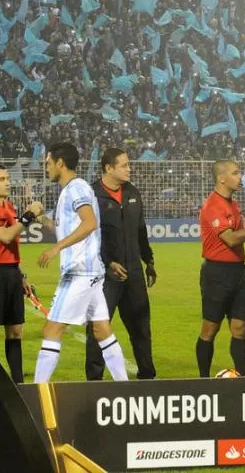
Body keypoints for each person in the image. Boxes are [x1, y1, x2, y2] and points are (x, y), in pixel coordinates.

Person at [32, 143, 129, 383]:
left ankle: (36, 392)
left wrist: (57, 248)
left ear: (60, 163)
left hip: (79, 273)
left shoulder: (76, 189)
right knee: (101, 330)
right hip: (90, 273)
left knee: (52, 330)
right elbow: (72, 228)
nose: (46, 167)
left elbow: (88, 223)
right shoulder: (72, 189)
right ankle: (125, 388)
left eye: (48, 162)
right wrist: (41, 218)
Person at [85, 147, 158, 380]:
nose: (129, 168)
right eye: (124, 165)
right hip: (104, 276)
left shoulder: (132, 192)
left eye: (128, 164)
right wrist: (107, 264)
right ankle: (93, 382)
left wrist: (149, 260)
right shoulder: (91, 195)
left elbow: (140, 230)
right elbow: (87, 238)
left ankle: (147, 376)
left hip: (134, 272)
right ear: (108, 168)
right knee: (98, 328)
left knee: (141, 327)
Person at [0, 163, 44, 383]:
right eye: (1, 179)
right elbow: (4, 236)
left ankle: (18, 382)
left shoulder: (9, 207)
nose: (7, 182)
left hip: (11, 273)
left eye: (7, 178)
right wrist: (29, 215)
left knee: (15, 330)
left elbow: (12, 244)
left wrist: (20, 274)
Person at [196, 159, 245, 377]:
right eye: (235, 173)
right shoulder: (212, 206)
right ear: (221, 178)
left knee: (240, 329)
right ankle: (203, 380)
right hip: (216, 273)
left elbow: (240, 235)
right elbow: (232, 239)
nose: (240, 176)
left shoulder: (233, 204)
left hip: (237, 272)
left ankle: (241, 378)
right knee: (210, 329)